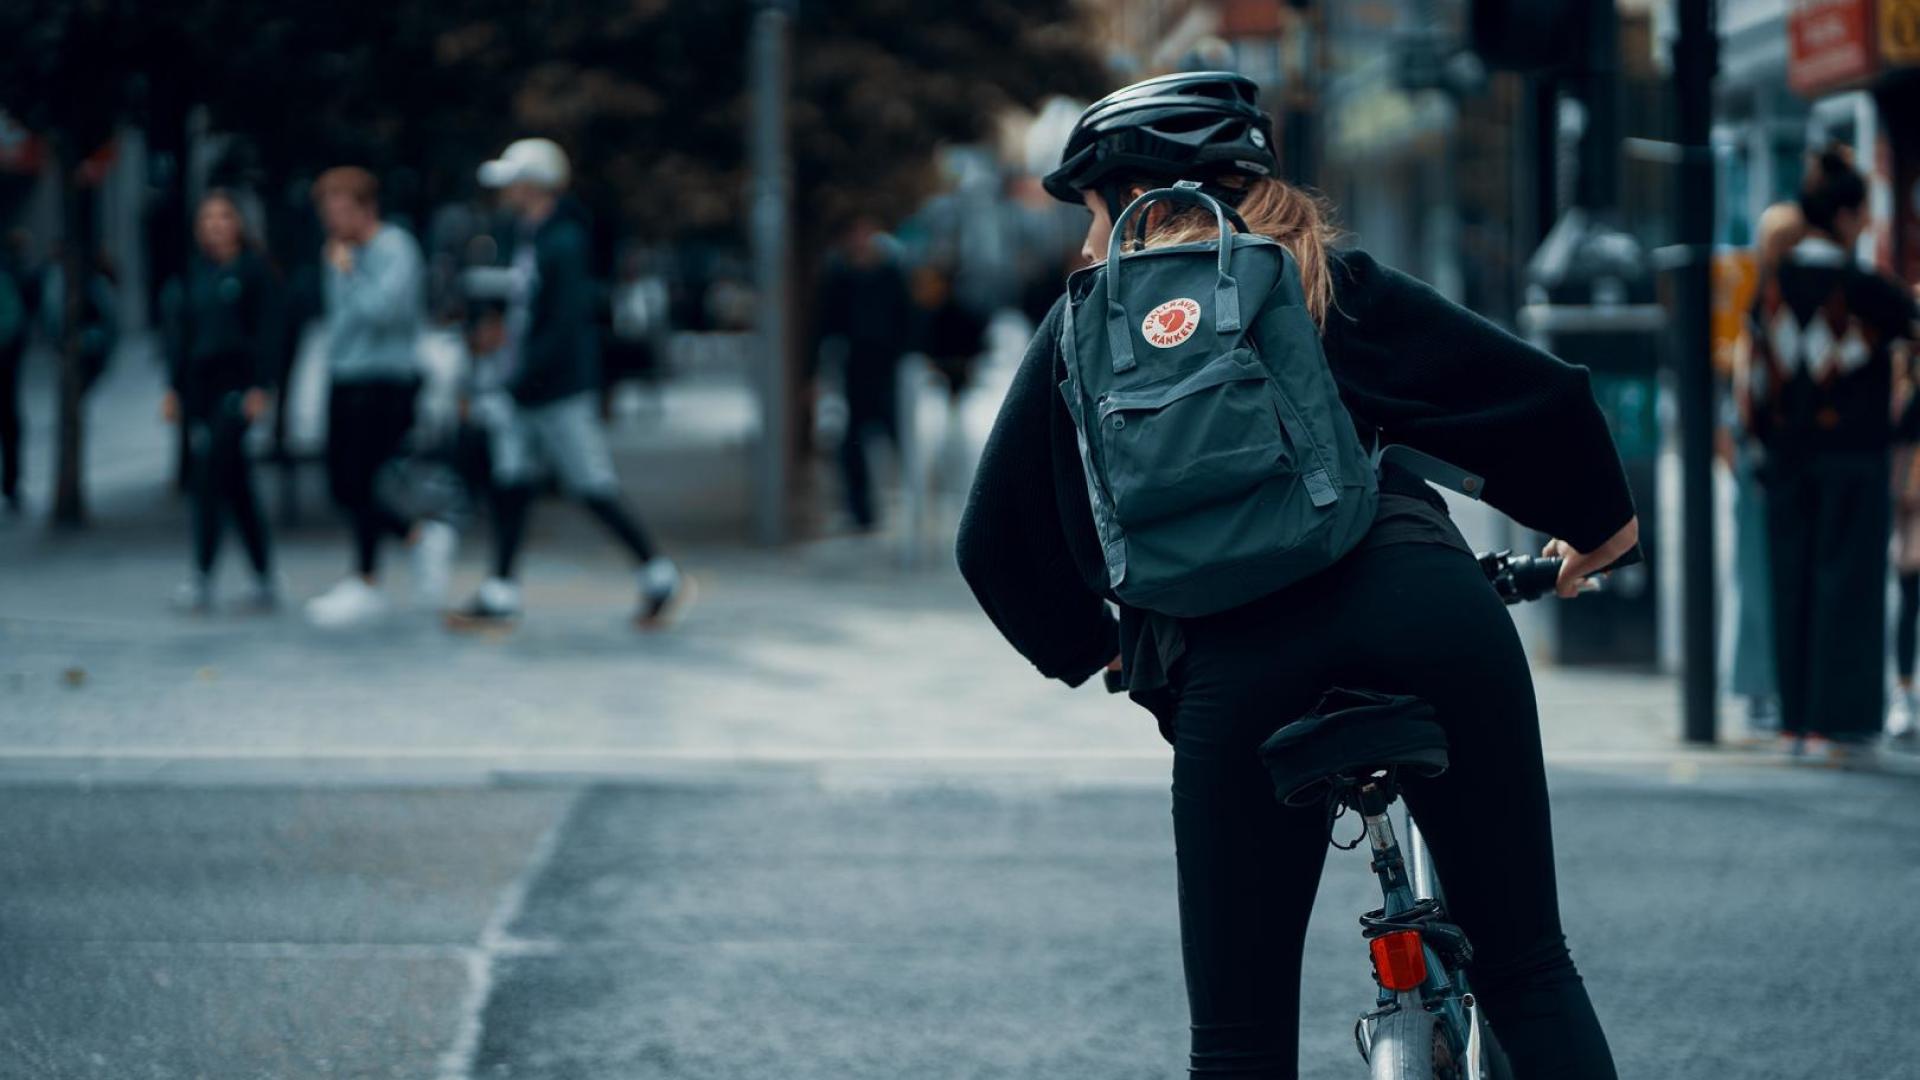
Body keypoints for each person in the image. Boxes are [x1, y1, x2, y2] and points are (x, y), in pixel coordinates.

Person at [956, 72, 1635, 1078]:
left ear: (1137, 200)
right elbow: (1540, 398)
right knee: (1527, 968)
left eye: (1093, 217)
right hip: (1432, 613)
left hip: (1238, 669)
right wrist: (1597, 537)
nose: (1089, 247)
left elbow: (994, 543)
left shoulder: (1086, 327)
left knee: (1238, 1045)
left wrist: (1106, 649)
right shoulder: (1322, 276)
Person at [449, 138, 688, 629]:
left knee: (591, 485)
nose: (506, 193)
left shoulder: (563, 242)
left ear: (535, 184)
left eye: (514, 182)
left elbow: (562, 325)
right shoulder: (526, 237)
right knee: (511, 483)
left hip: (555, 390)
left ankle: (658, 574)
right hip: (524, 388)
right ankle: (500, 590)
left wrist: (517, 379)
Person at [1746, 146, 1919, 756]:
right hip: (1853, 458)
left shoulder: (1771, 288)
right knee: (1845, 584)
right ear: (1845, 217)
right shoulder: (1870, 291)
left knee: (1790, 580)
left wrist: (1767, 440)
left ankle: (1795, 720)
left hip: (1787, 461)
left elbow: (1757, 384)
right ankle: (1835, 718)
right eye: (1863, 214)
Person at [304, 166, 456, 628]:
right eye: (327, 212)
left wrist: (349, 272)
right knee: (342, 482)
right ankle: (415, 537)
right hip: (346, 374)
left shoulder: (395, 249)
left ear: (366, 208)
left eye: (341, 210)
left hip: (386, 379)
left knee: (368, 479)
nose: (333, 222)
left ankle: (370, 576)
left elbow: (382, 312)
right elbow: (341, 320)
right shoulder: (338, 251)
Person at [161, 191, 279, 612]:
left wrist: (261, 387)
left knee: (210, 475)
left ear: (238, 224)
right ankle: (262, 573)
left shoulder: (252, 271)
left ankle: (203, 574)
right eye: (208, 217)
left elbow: (267, 332)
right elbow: (180, 338)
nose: (216, 225)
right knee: (235, 483)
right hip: (201, 388)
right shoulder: (196, 275)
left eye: (224, 216)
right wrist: (173, 389)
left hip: (237, 387)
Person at [1726, 201, 1803, 734]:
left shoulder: (1762, 298)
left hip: (1761, 456)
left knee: (1759, 576)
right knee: (1759, 576)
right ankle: (1761, 687)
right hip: (1764, 458)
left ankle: (1762, 687)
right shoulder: (1767, 302)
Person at [815, 216, 914, 531]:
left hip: (887, 370)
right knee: (852, 445)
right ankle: (862, 510)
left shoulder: (891, 274)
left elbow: (907, 319)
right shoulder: (840, 277)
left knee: (900, 437)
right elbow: (827, 324)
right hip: (855, 370)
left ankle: (912, 502)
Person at [0, 231, 29, 517]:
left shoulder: (5, 280)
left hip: (4, 367)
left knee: (9, 425)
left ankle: (11, 484)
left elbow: (11, 321)